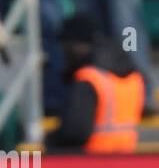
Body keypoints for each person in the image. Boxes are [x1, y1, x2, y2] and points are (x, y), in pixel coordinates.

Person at [46, 12, 144, 152]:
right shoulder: (132, 75)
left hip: (90, 162)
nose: (64, 53)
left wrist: (50, 140)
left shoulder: (88, 79)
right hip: (124, 159)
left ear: (77, 44)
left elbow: (75, 132)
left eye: (66, 46)